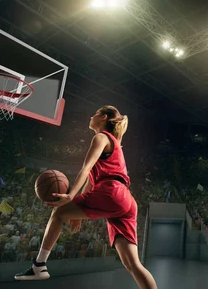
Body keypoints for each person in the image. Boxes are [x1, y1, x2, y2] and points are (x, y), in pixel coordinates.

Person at [15, 106, 157, 289]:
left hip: (111, 192)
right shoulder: (114, 144)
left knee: (58, 213)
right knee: (133, 265)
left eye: (95, 114)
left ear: (103, 117)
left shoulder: (101, 137)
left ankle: (39, 266)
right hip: (126, 201)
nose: (91, 116)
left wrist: (70, 196)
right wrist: (76, 210)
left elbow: (86, 168)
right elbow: (91, 182)